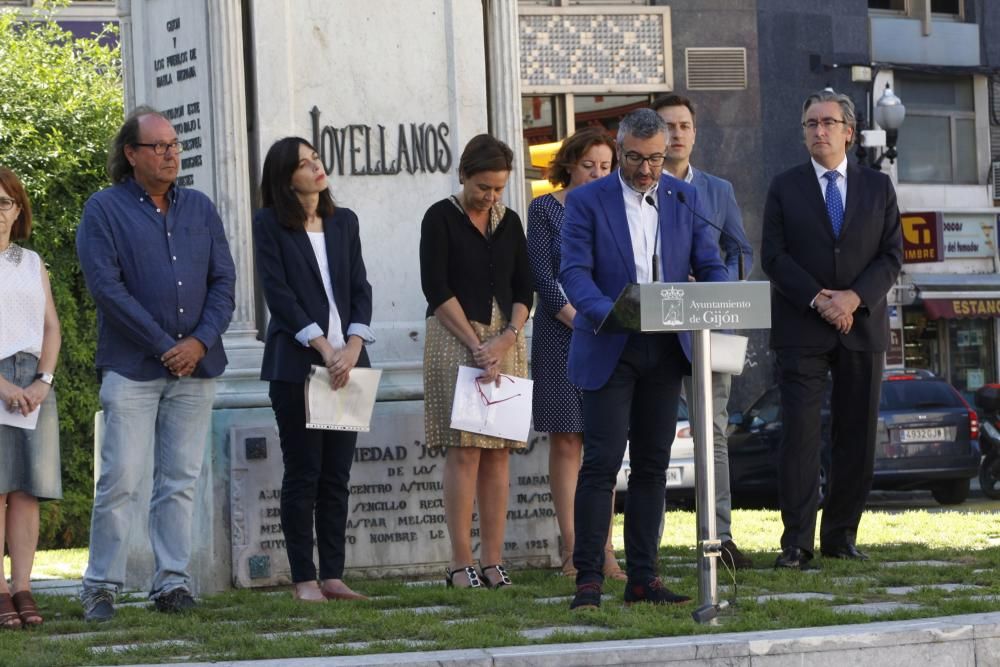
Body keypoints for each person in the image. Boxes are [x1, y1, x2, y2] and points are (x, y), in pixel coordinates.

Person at [560, 109, 728, 610]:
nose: (647, 169)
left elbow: (712, 265)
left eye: (656, 158)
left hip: (666, 347)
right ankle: (589, 577)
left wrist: (715, 296)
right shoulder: (588, 200)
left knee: (653, 468)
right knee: (602, 465)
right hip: (611, 342)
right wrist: (608, 312)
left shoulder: (684, 198)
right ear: (619, 148)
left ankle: (643, 579)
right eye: (636, 158)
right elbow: (574, 272)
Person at [76, 106, 237, 621]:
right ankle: (101, 586)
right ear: (131, 154)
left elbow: (224, 282)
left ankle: (171, 583)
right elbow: (107, 288)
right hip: (132, 369)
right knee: (121, 479)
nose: (171, 154)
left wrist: (200, 342)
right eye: (159, 146)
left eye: (174, 145)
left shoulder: (200, 208)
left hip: (196, 368)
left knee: (180, 480)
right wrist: (166, 343)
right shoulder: (103, 210)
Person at [761, 90, 901, 569]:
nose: (818, 131)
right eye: (810, 124)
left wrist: (853, 299)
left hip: (862, 327)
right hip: (802, 327)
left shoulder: (878, 188)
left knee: (856, 435)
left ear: (849, 132)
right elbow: (773, 256)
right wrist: (821, 299)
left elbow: (891, 256)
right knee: (799, 437)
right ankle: (796, 544)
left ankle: (841, 535)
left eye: (827, 122)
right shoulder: (784, 186)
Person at [253, 137, 374, 602]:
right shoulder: (269, 225)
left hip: (348, 364)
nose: (316, 169)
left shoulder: (344, 222)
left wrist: (354, 345)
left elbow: (361, 287)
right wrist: (325, 347)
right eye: (304, 165)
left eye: (316, 159)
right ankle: (304, 578)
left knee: (336, 476)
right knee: (303, 473)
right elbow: (278, 295)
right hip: (299, 365)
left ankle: (334, 576)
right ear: (286, 179)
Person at [419, 134, 532, 589]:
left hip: (505, 341)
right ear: (464, 174)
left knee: (499, 453)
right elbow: (436, 286)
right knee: (465, 451)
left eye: (498, 188)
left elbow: (525, 289)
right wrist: (476, 343)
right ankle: (460, 562)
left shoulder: (510, 221)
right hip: (455, 337)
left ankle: (493, 560)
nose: (490, 196)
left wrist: (506, 339)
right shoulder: (440, 217)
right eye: (483, 186)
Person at [652, 94, 755, 570]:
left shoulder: (719, 190)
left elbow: (740, 251)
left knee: (712, 432)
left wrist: (717, 287)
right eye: (667, 126)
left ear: (695, 133)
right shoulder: (638, 187)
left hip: (710, 328)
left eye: (684, 125)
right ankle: (645, 546)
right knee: (649, 434)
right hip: (653, 327)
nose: (677, 134)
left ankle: (720, 538)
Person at [526, 127, 627, 581]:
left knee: (602, 445)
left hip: (606, 334)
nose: (597, 174)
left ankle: (605, 549)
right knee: (568, 440)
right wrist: (582, 320)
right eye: (589, 166)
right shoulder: (545, 209)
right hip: (562, 334)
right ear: (568, 164)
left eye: (606, 167)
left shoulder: (616, 210)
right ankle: (572, 550)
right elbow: (544, 279)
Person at [0, 167, 62, 629]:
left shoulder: (32, 260)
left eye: (4, 203)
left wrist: (43, 380)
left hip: (35, 384)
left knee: (26, 492)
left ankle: (22, 585)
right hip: (0, 381)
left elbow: (50, 328)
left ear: (18, 209)